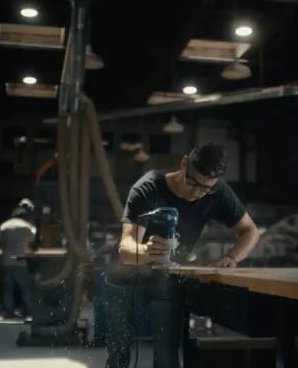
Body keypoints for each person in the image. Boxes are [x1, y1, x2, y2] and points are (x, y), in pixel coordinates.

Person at [103, 142, 260, 368]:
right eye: (193, 182)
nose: (197, 193)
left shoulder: (218, 192)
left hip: (164, 281)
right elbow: (125, 250)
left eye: (206, 188)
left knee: (167, 359)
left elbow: (250, 231)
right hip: (123, 280)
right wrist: (146, 251)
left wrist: (233, 257)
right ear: (184, 163)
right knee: (118, 357)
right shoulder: (148, 187)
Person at [0, 206, 36, 319]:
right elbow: (31, 240)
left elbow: (1, 242)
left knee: (8, 288)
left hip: (6, 259)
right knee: (24, 287)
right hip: (19, 258)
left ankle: (9, 312)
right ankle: (28, 311)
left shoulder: (4, 226)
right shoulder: (26, 226)